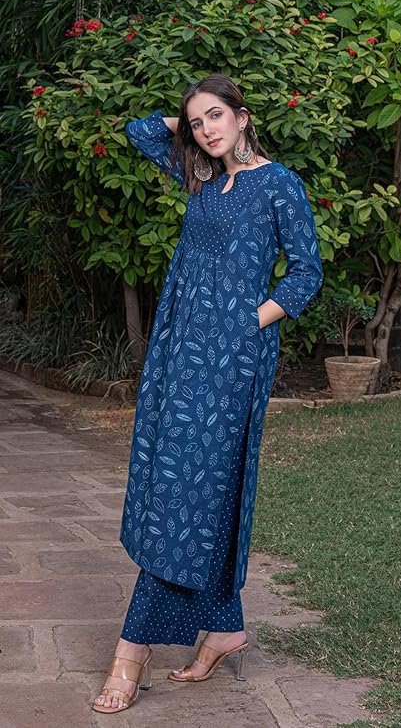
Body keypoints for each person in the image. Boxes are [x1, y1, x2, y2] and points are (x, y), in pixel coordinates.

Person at [93, 73, 323, 714]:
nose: (206, 129)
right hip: (179, 349)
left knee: (184, 491)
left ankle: (131, 652)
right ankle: (224, 628)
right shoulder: (200, 175)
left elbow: (307, 271)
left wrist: (249, 321)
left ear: (243, 116)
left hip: (231, 358)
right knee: (193, 484)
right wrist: (186, 123)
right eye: (197, 122)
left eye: (217, 115)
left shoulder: (279, 184)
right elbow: (139, 130)